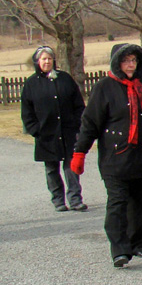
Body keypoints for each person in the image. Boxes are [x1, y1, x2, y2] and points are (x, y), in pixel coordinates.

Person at [70, 44, 142, 268]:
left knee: (141, 203)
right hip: (115, 158)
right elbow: (90, 123)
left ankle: (139, 244)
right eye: (126, 61)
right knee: (117, 203)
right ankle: (119, 249)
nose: (130, 65)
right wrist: (80, 151)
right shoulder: (104, 87)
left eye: (134, 61)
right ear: (117, 63)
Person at [21, 46, 87, 212]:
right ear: (37, 62)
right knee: (51, 168)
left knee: (71, 167)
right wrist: (35, 130)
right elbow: (27, 111)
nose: (47, 62)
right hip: (46, 134)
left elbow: (78, 104)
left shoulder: (65, 79)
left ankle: (75, 199)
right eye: (44, 59)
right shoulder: (31, 83)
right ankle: (58, 200)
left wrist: (78, 124)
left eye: (50, 59)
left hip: (68, 131)